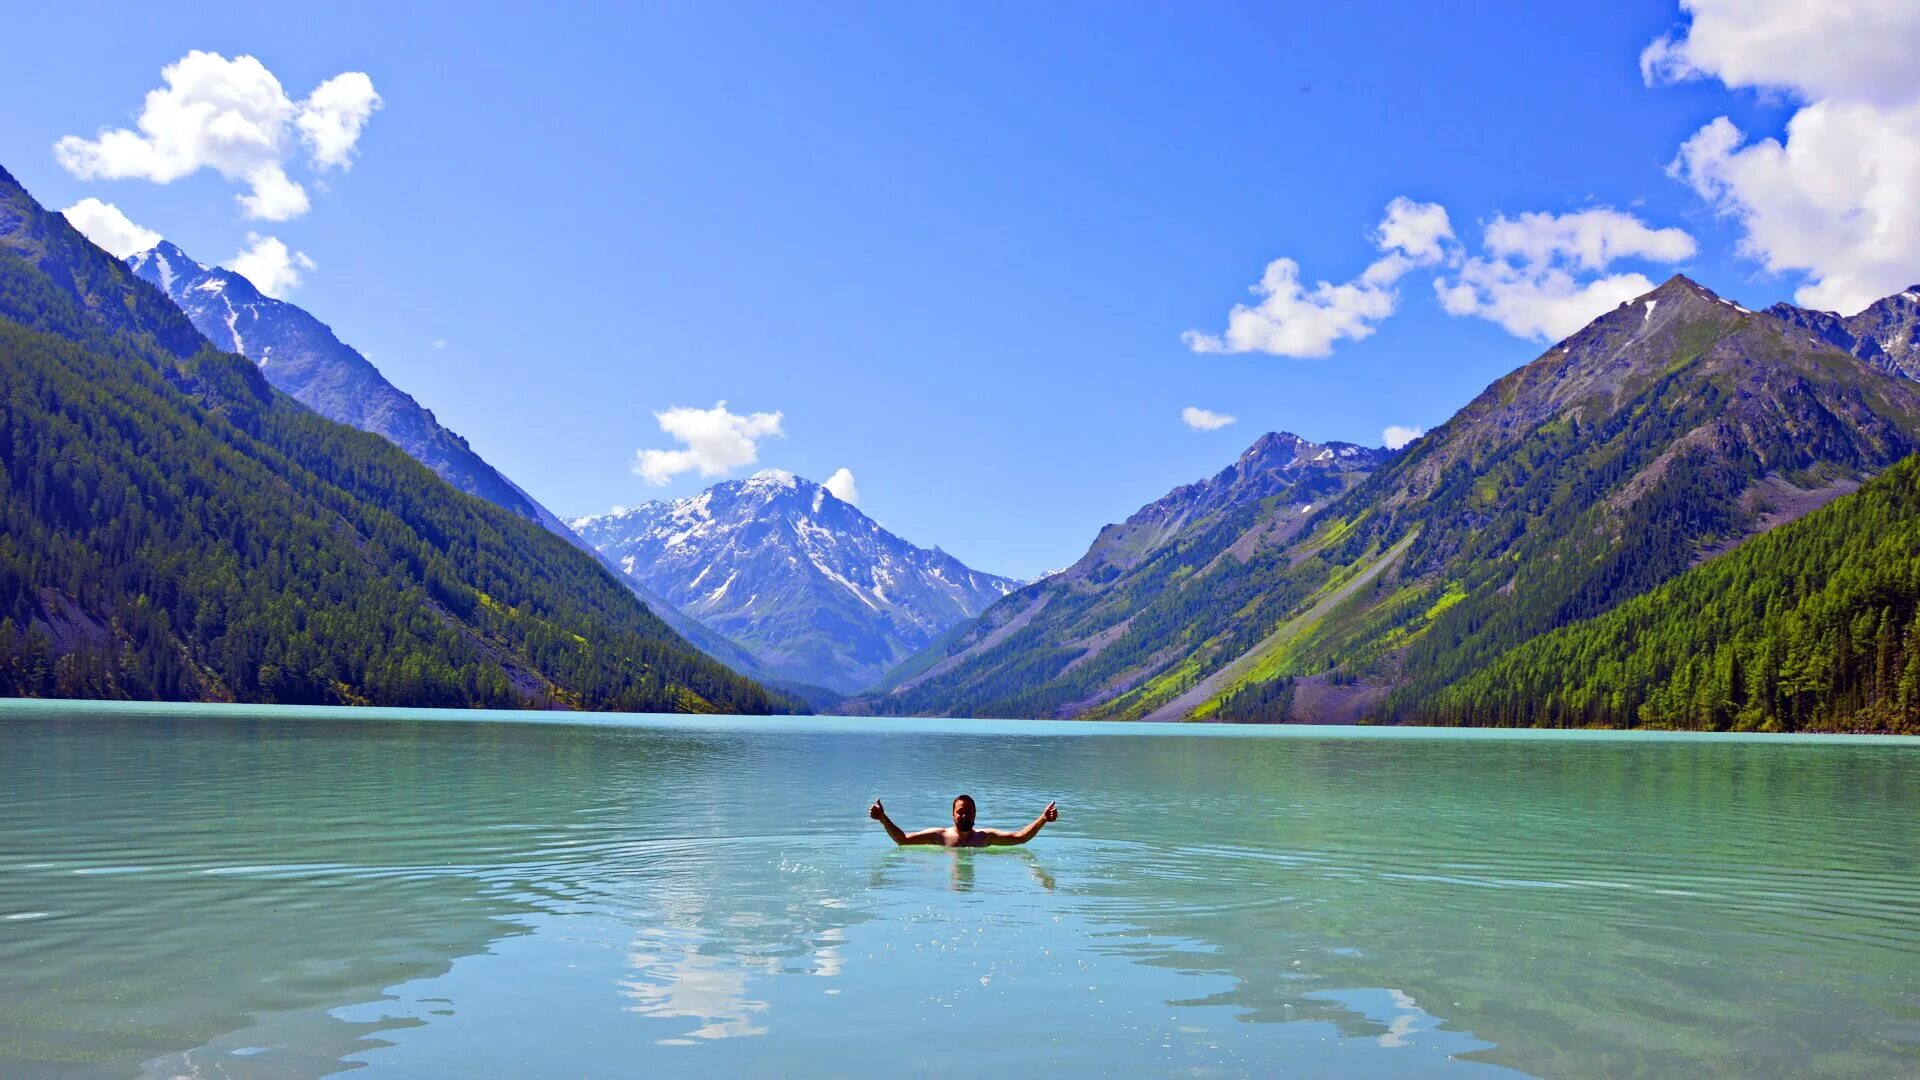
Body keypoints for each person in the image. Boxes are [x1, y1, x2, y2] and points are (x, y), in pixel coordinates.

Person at [868, 793, 1057, 847]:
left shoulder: (985, 838)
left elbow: (1020, 838)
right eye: (960, 812)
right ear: (953, 814)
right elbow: (903, 840)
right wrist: (883, 818)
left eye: (968, 811)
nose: (964, 815)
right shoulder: (938, 836)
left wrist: (1043, 819)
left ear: (975, 814)